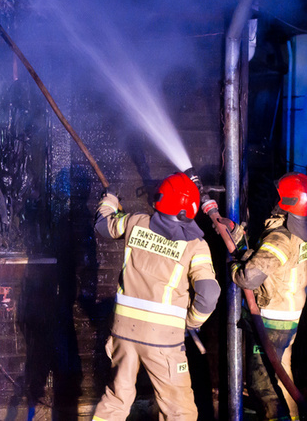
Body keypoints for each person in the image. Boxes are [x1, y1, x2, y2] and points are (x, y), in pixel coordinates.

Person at [91, 171, 221, 421]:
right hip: (164, 340)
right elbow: (209, 292)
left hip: (123, 334)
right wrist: (192, 322)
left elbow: (102, 225)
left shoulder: (134, 222)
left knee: (116, 400)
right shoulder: (195, 245)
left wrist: (108, 200)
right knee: (178, 411)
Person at [229, 172, 307, 421]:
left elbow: (248, 278)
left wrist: (233, 264)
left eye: (278, 195)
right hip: (287, 320)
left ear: (288, 202)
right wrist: (240, 242)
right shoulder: (296, 233)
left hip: (272, 323)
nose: (273, 198)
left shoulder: (280, 237)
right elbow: (268, 263)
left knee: (264, 386)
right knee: (283, 380)